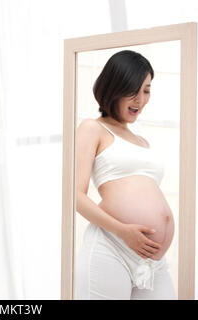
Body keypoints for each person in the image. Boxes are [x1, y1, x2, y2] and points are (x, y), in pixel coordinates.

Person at [74, 50, 175, 300]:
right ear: (114, 87)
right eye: (133, 90)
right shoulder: (93, 128)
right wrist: (123, 231)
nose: (140, 100)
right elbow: (74, 196)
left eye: (147, 90)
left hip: (152, 260)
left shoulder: (142, 141)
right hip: (112, 246)